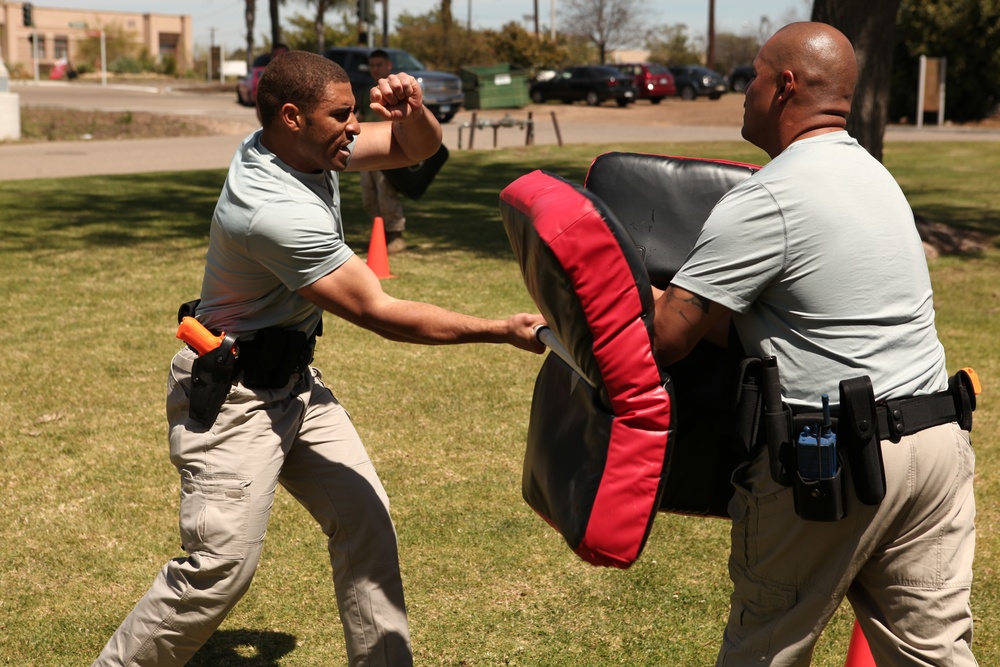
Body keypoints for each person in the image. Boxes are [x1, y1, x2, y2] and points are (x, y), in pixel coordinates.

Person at [93, 50, 545, 667]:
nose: (356, 126)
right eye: (343, 114)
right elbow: (379, 312)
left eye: (356, 112)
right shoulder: (272, 209)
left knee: (366, 521)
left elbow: (415, 152)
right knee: (219, 572)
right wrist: (502, 328)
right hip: (236, 401)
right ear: (292, 116)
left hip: (296, 385)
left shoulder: (307, 147)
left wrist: (415, 113)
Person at [651, 23, 977, 666]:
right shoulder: (877, 178)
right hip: (935, 445)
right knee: (934, 655)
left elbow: (669, 338)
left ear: (784, 86)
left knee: (765, 648)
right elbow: (805, 318)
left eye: (752, 76)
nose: (744, 92)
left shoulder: (770, 195)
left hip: (830, 458)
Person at [359, 49, 408, 253]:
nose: (375, 69)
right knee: (368, 196)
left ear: (388, 65)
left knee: (385, 192)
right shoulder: (365, 92)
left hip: (388, 151)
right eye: (372, 65)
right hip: (366, 150)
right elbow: (359, 115)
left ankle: (396, 236)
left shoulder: (394, 91)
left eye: (379, 64)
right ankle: (380, 234)